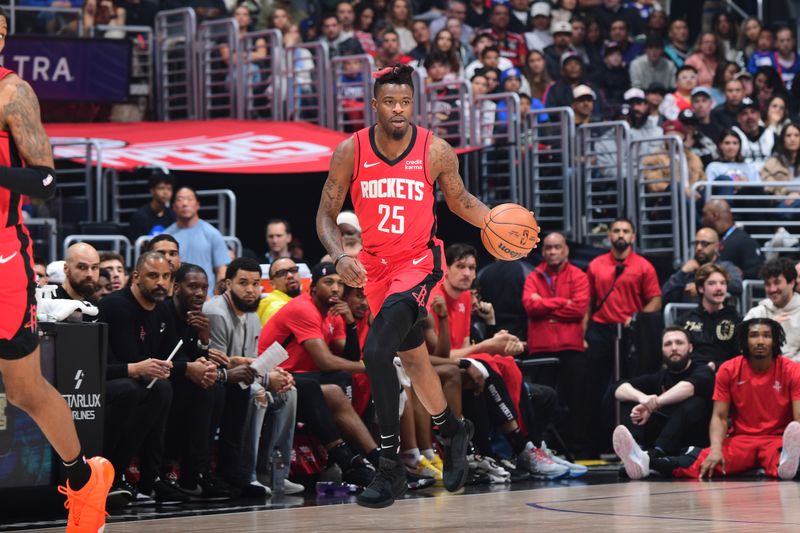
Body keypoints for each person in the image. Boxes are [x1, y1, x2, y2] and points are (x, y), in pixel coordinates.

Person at [316, 64, 518, 508]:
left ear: (414, 105)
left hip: (419, 264)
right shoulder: (351, 151)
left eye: (405, 102)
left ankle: (391, 469)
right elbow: (325, 216)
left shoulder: (436, 150)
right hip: (374, 268)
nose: (398, 110)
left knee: (375, 352)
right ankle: (451, 429)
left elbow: (460, 200)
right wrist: (342, 255)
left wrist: (494, 222)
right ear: (375, 105)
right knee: (414, 358)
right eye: (389, 102)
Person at [0, 6, 113, 528]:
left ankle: (84, 480)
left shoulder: (12, 92)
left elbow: (46, 182)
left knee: (23, 390)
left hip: (3, 257)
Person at [615, 318, 800, 481]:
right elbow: (719, 417)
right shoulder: (729, 369)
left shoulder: (793, 370)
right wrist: (716, 450)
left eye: (766, 335)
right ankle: (645, 462)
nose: (760, 341)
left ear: (775, 340)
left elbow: (798, 420)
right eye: (754, 335)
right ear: (745, 340)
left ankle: (786, 463)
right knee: (702, 463)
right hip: (742, 440)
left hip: (778, 439)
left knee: (786, 458)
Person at [257, 262, 377, 488]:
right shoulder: (304, 308)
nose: (335, 289)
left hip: (302, 375)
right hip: (274, 374)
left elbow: (348, 356)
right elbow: (325, 361)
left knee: (343, 381)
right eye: (328, 282)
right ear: (312, 287)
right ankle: (346, 458)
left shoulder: (334, 312)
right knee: (328, 384)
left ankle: (374, 458)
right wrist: (368, 366)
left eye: (340, 284)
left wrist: (350, 323)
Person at [97, 252, 189, 504]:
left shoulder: (163, 309)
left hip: (139, 382)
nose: (161, 282)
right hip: (106, 380)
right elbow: (121, 361)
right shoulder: (117, 306)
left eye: (166, 276)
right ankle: (108, 474)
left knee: (165, 388)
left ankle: (153, 481)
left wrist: (195, 363)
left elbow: (172, 354)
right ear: (136, 277)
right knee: (138, 389)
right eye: (153, 276)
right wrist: (147, 368)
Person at [585, 217, 662, 456]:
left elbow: (656, 300)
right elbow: (588, 302)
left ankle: (634, 440)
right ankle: (599, 442)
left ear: (633, 236)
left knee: (631, 384)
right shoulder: (596, 264)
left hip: (631, 332)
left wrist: (637, 317)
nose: (621, 235)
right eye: (616, 230)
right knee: (596, 387)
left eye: (625, 231)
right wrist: (583, 333)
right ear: (609, 235)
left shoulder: (643, 266)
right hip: (600, 330)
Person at [523, 232, 590, 455]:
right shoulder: (533, 276)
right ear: (542, 251)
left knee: (577, 402)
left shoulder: (579, 276)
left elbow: (579, 308)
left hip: (572, 347)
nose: (552, 252)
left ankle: (578, 450)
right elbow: (529, 306)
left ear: (566, 250)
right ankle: (541, 448)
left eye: (557, 247)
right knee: (541, 402)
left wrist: (545, 304)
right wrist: (563, 303)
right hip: (541, 349)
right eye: (548, 248)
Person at [613, 327, 715, 457]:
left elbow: (688, 387)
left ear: (690, 347)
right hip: (665, 437)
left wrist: (653, 404)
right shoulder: (660, 377)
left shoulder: (704, 371)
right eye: (668, 344)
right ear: (662, 350)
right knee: (631, 398)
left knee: (694, 403)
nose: (673, 348)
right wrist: (642, 398)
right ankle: (636, 449)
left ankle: (653, 454)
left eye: (679, 343)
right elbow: (617, 387)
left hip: (697, 439)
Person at [165, 186, 231, 289]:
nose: (185, 203)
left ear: (197, 205)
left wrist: (216, 297)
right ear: (173, 206)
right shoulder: (166, 236)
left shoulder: (212, 233)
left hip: (206, 298)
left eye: (189, 199)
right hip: (174, 296)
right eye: (180, 199)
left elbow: (221, 269)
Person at [677, 263, 740, 369]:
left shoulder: (737, 320)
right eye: (712, 283)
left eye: (723, 283)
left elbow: (740, 358)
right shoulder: (685, 320)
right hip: (692, 374)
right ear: (701, 288)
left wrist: (716, 367)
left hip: (725, 375)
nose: (719, 288)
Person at [662, 227, 742, 305]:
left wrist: (702, 289)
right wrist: (681, 272)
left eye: (704, 244)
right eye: (696, 243)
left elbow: (737, 286)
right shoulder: (687, 270)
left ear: (717, 247)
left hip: (717, 316)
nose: (698, 248)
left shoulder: (725, 267)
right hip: (688, 316)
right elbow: (664, 295)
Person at [744, 258, 800, 361]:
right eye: (768, 284)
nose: (772, 289)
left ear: (791, 283)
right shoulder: (757, 313)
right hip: (761, 370)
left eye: (777, 282)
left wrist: (784, 368)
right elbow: (742, 347)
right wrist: (766, 326)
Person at [701, 198, 764, 279]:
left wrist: (743, 274)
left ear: (715, 216)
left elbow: (759, 270)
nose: (702, 219)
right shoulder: (714, 240)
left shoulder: (744, 241)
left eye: (704, 215)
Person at [128, 169, 176, 240]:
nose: (165, 192)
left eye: (169, 189)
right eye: (161, 188)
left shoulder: (173, 216)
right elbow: (136, 243)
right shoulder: (140, 216)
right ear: (152, 190)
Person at [256, 257, 301, 326]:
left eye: (293, 270)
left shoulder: (297, 301)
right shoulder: (276, 308)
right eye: (282, 273)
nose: (290, 275)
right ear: (272, 284)